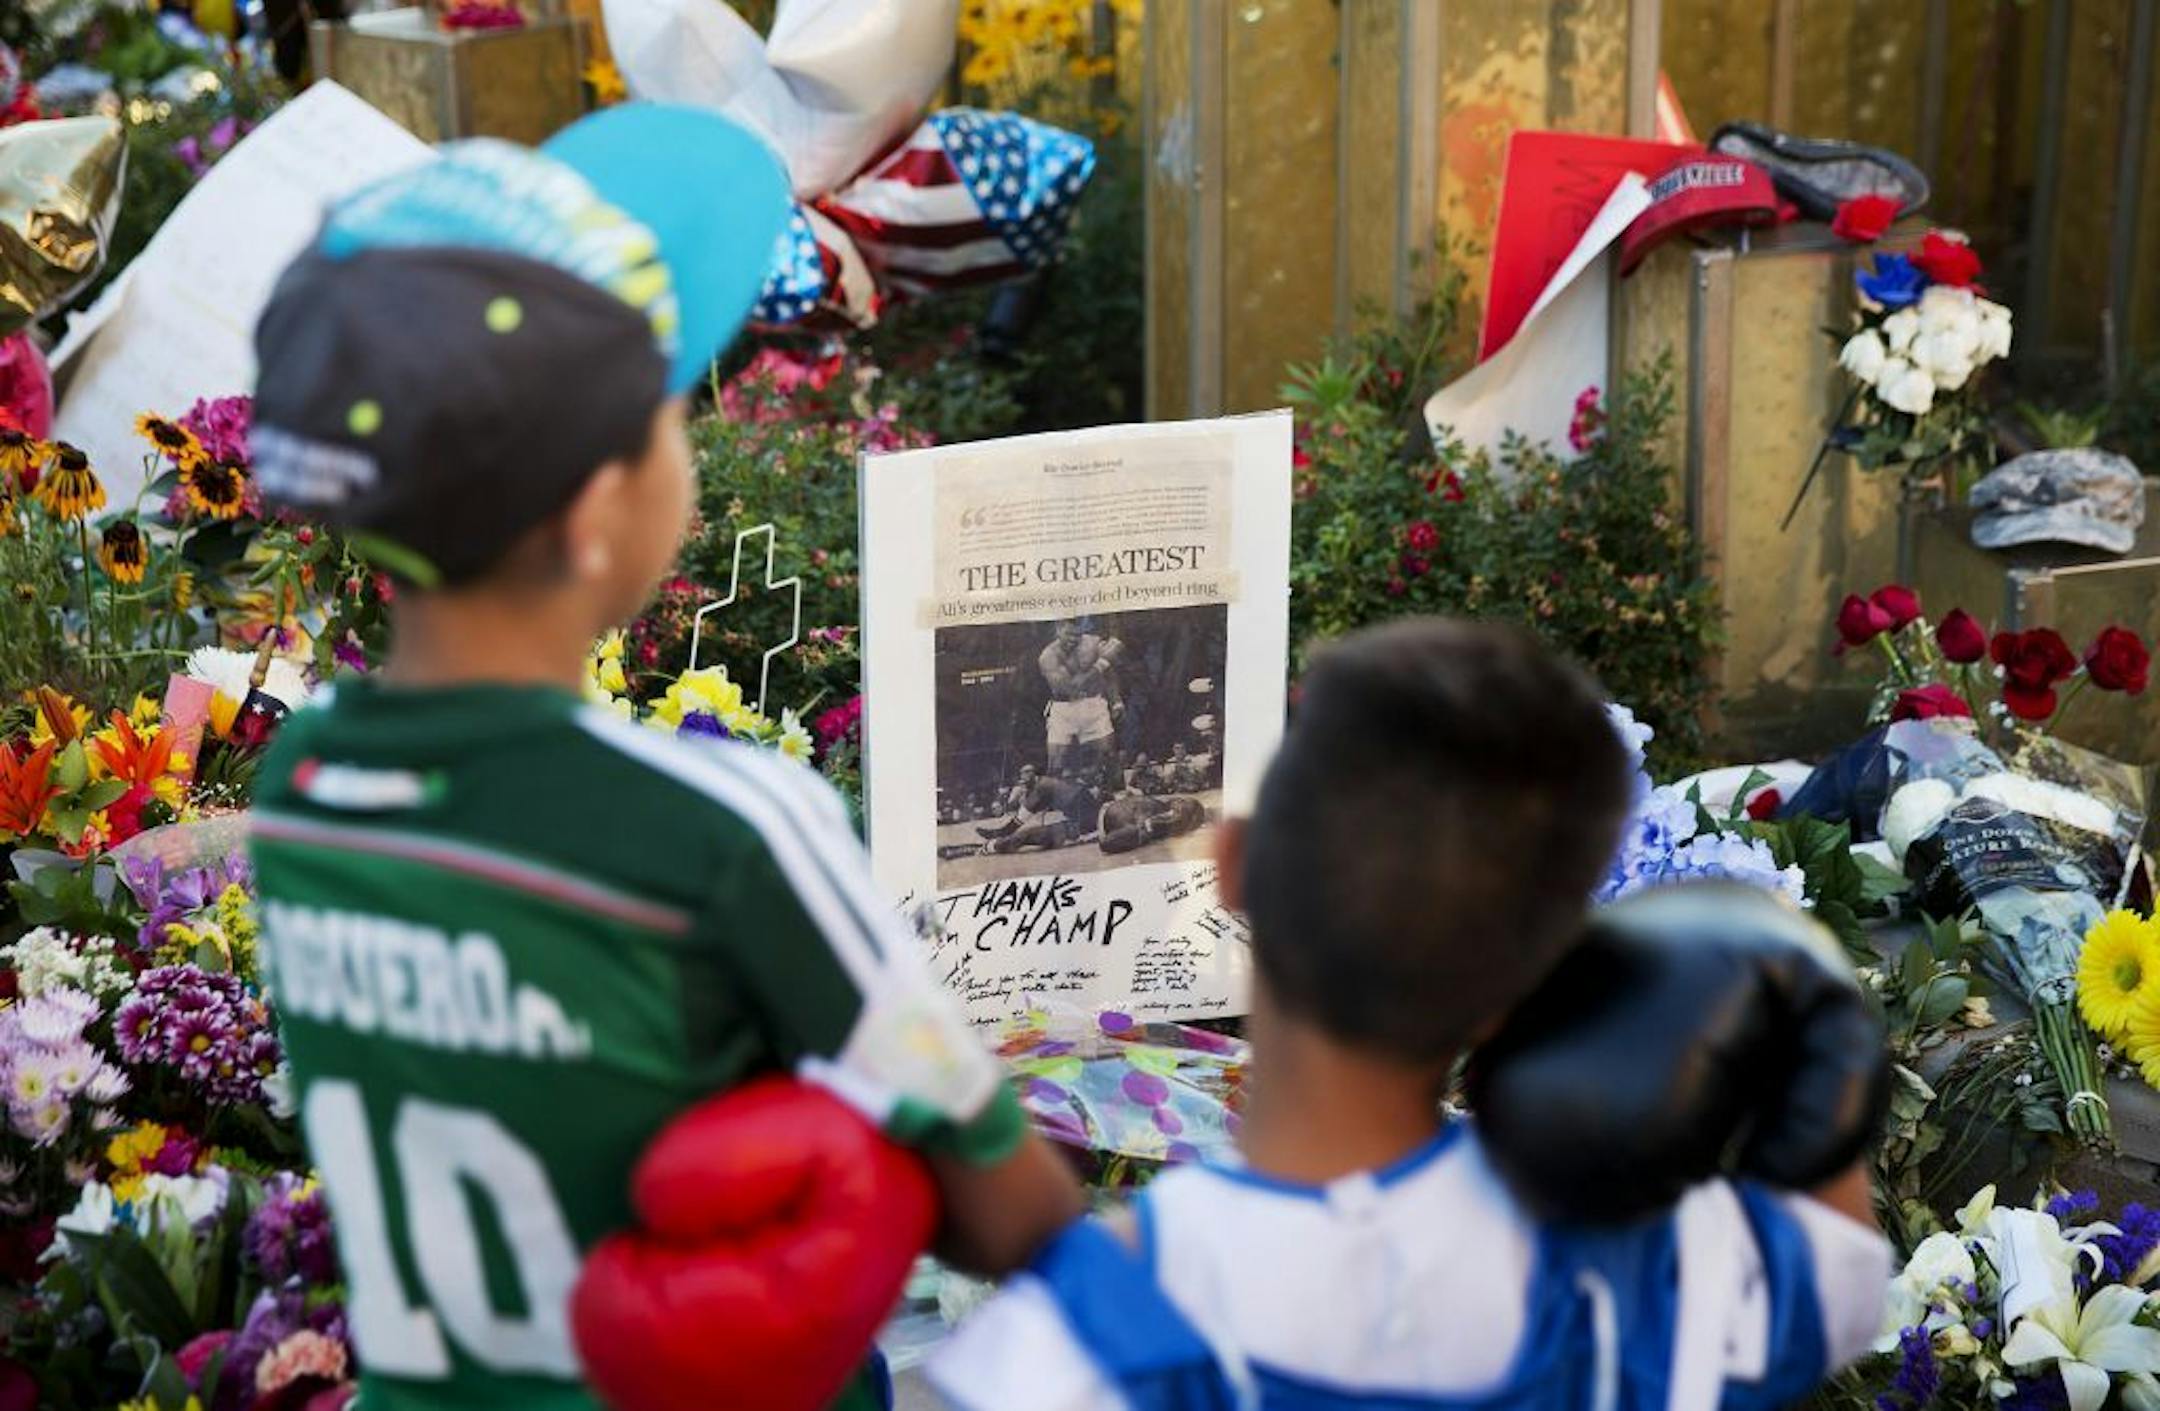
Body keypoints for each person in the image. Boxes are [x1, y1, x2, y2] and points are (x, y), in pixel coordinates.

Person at [244, 109, 1080, 1411]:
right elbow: (1009, 1207)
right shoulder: (726, 824)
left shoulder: (302, 790)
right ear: (596, 511)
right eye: (670, 405)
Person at [930, 619, 1890, 1411]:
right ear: (1539, 976)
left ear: (1234, 865)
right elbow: (1840, 1271)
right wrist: (1793, 981)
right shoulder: (1650, 1280)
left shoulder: (1086, 1340)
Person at [1039, 618, 1122, 777]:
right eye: (1068, 634)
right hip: (1063, 709)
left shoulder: (1093, 643)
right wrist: (1102, 662)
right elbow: (1071, 686)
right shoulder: (1048, 657)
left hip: (1093, 703)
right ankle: (1055, 800)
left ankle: (1118, 795)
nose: (1073, 639)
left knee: (1110, 755)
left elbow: (1109, 674)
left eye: (1077, 635)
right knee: (1055, 764)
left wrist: (1116, 700)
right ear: (1058, 630)